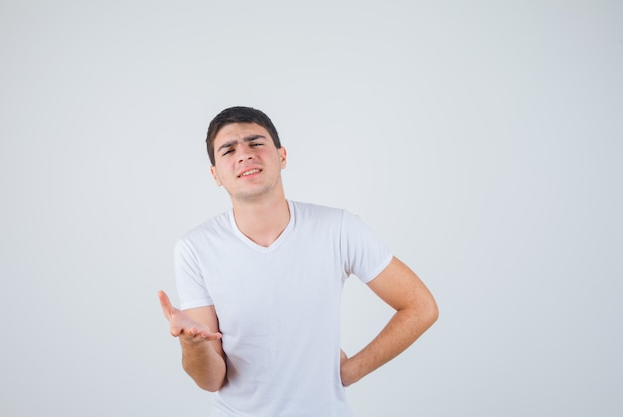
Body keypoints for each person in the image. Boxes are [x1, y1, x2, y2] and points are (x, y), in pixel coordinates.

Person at [158, 106, 438, 417]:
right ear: (216, 175)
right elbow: (212, 380)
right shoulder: (195, 247)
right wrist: (192, 345)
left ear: (282, 156)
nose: (244, 155)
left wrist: (349, 372)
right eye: (228, 150)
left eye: (256, 143)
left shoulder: (338, 228)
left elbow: (420, 306)